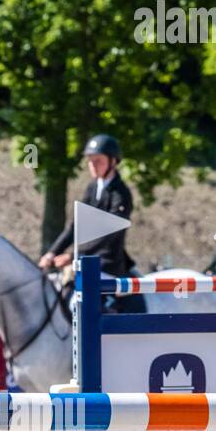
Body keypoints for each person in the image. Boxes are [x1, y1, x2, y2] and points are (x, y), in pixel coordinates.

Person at [39, 134, 141, 313]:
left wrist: (72, 257)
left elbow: (109, 234)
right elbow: (76, 226)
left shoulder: (121, 194)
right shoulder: (92, 188)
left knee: (80, 307)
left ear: (113, 161)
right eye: (90, 161)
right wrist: (52, 252)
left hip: (107, 263)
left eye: (98, 161)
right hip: (85, 262)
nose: (92, 166)